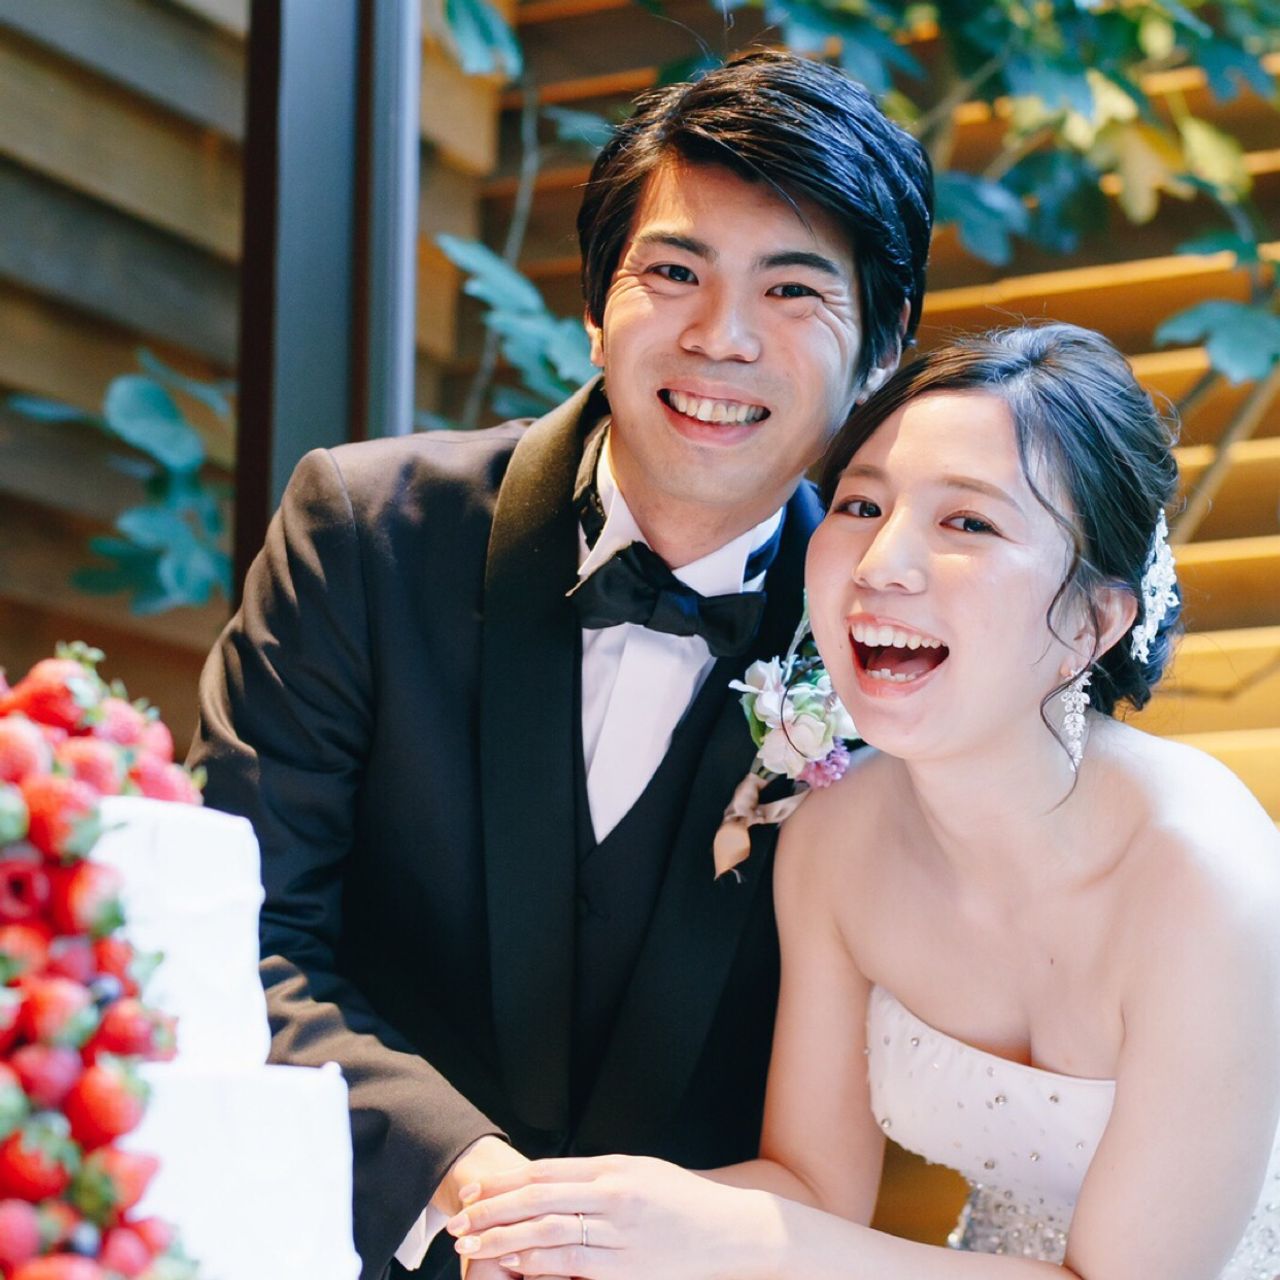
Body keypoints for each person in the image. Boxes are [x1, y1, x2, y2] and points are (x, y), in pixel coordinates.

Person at [189, 49, 932, 1280]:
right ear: (595, 304)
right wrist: (475, 1192)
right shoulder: (364, 531)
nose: (720, 337)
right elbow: (240, 929)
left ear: (882, 345)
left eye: (792, 290)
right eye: (673, 272)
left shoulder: (893, 645)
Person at [442, 324, 1280, 1279]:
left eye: (968, 523)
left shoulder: (1204, 884)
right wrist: (573, 1222)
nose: (881, 563)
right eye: (860, 503)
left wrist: (722, 1235)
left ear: (1094, 621)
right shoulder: (835, 838)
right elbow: (813, 1188)